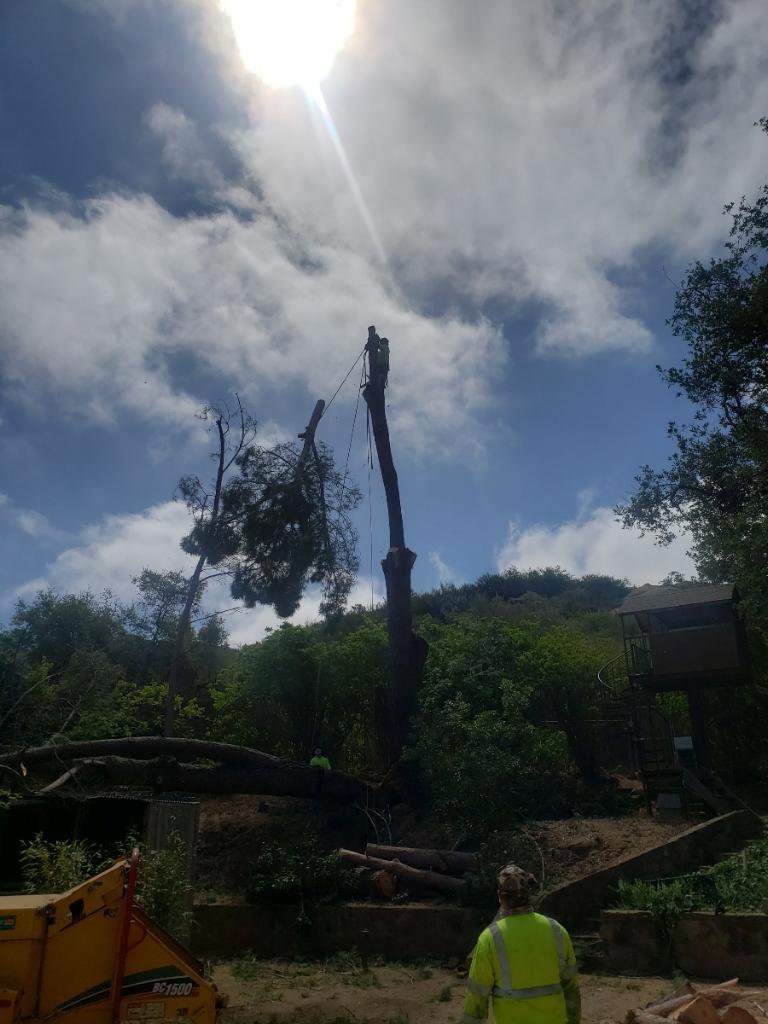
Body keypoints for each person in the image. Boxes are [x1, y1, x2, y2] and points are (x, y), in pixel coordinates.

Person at [461, 863, 580, 1024]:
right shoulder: (556, 930)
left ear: (500, 896)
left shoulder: (489, 938)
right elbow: (571, 989)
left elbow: (477, 998)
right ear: (528, 894)